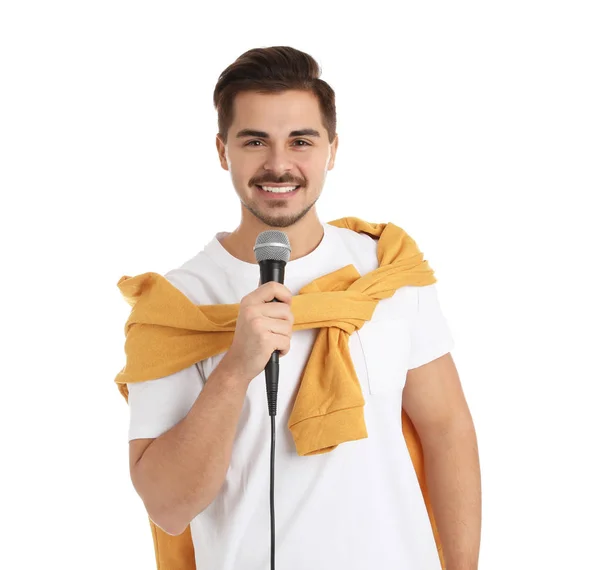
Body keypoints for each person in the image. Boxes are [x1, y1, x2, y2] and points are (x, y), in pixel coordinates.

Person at [124, 45, 481, 569]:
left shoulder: (386, 271)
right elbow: (167, 505)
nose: (278, 164)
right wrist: (236, 368)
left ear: (332, 149)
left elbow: (447, 430)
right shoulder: (177, 307)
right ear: (223, 151)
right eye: (254, 141)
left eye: (301, 141)